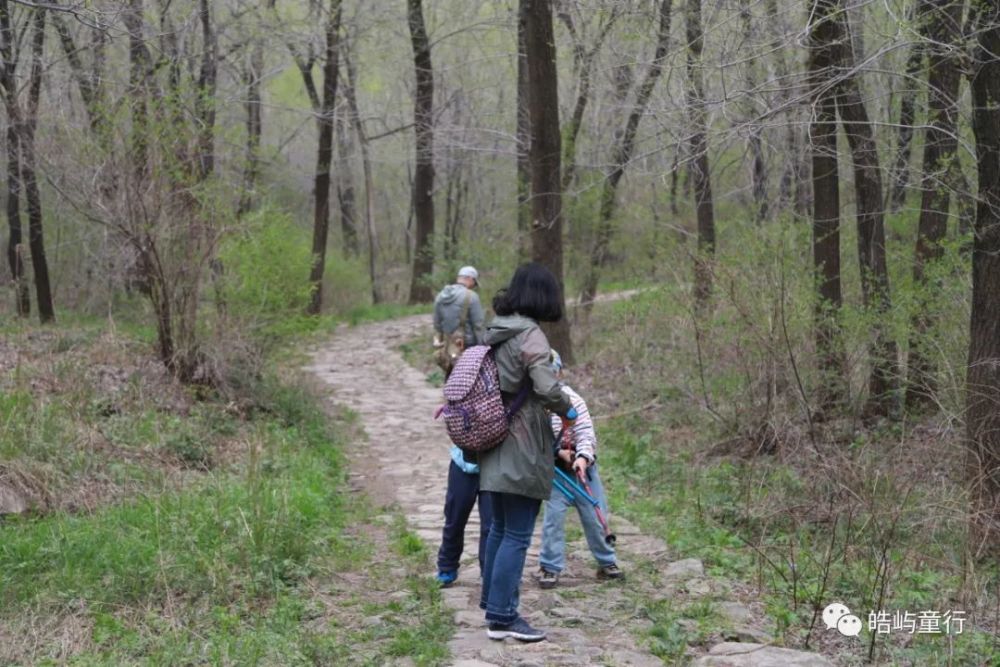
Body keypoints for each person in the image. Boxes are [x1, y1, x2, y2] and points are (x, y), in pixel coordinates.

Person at [478, 262, 577, 643]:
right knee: (517, 534)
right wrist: (567, 409)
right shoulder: (531, 335)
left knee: (500, 529)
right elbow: (546, 388)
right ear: (543, 294)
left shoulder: (497, 329)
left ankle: (493, 604)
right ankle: (502, 617)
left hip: (493, 436)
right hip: (520, 442)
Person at [536, 349, 624, 589]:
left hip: (582, 471)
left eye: (551, 374)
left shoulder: (573, 400)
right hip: (556, 474)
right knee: (553, 520)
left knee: (596, 515)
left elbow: (586, 434)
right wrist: (556, 453)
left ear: (559, 373)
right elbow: (533, 441)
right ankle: (549, 566)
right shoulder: (533, 405)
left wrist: (583, 458)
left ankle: (607, 561)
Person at [434, 445, 492, 587]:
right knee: (455, 519)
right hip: (462, 465)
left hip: (495, 466)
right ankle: (447, 567)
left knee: (491, 526)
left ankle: (489, 571)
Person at [433, 266, 486, 374]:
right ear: (470, 279)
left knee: (450, 376)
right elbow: (478, 326)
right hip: (467, 347)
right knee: (467, 380)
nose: (474, 287)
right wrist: (483, 348)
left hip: (448, 346)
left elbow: (437, 325)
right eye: (474, 283)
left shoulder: (441, 296)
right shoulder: (472, 296)